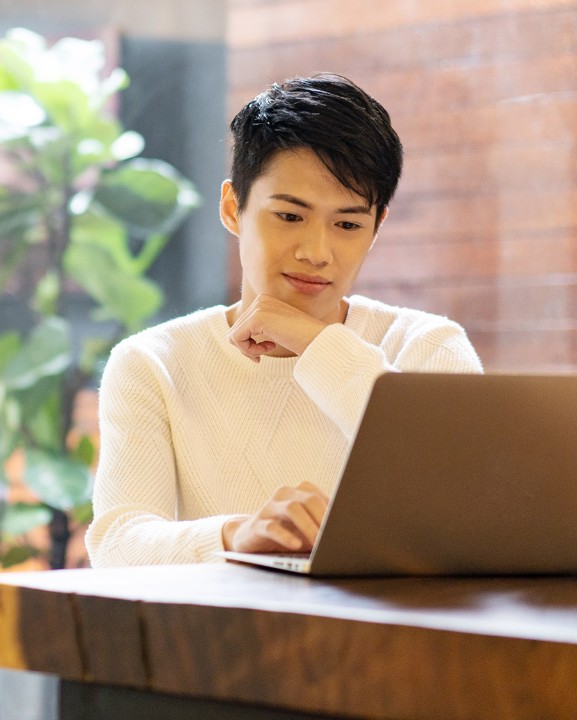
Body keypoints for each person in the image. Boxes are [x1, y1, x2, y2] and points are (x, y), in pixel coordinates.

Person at [85, 73, 483, 568]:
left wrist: (318, 346)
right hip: (230, 639)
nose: (316, 253)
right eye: (290, 217)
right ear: (233, 208)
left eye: (347, 224)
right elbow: (118, 543)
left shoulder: (427, 346)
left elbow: (466, 497)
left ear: (377, 226)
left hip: (389, 640)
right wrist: (238, 535)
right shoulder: (154, 363)